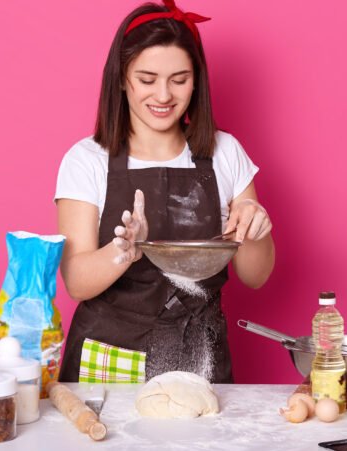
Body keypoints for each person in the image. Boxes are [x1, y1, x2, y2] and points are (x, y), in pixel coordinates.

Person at [55, 0, 274, 384]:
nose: (163, 95)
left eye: (179, 79)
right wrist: (124, 251)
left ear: (196, 80)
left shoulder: (225, 153)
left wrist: (257, 228)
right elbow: (76, 280)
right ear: (122, 78)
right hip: (108, 360)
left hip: (200, 358)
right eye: (147, 78)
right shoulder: (87, 159)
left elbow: (255, 277)